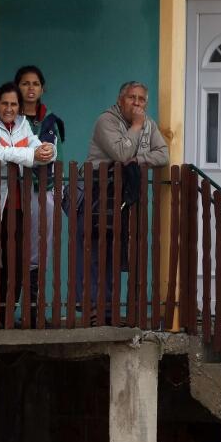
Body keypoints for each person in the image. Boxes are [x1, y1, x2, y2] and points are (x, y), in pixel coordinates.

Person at [72, 80, 169, 322]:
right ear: (120, 99)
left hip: (122, 196)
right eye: (131, 98)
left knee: (116, 252)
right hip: (96, 192)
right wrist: (136, 127)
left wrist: (138, 160)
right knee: (93, 249)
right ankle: (93, 308)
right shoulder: (106, 120)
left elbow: (163, 154)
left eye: (141, 99)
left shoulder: (149, 124)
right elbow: (121, 153)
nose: (137, 103)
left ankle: (108, 309)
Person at [0, 82, 56, 325]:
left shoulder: (23, 125)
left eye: (14, 104)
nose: (9, 108)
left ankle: (5, 315)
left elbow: (38, 147)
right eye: (5, 103)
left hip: (19, 207)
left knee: (15, 263)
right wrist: (28, 154)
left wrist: (48, 151)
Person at [14, 65, 65, 298]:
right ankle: (5, 307)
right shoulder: (6, 116)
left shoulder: (50, 121)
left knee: (40, 245)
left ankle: (32, 304)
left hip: (42, 189)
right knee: (11, 243)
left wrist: (58, 188)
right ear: (17, 87)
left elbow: (57, 155)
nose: (30, 88)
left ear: (42, 89)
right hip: (11, 189)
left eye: (35, 84)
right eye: (25, 83)